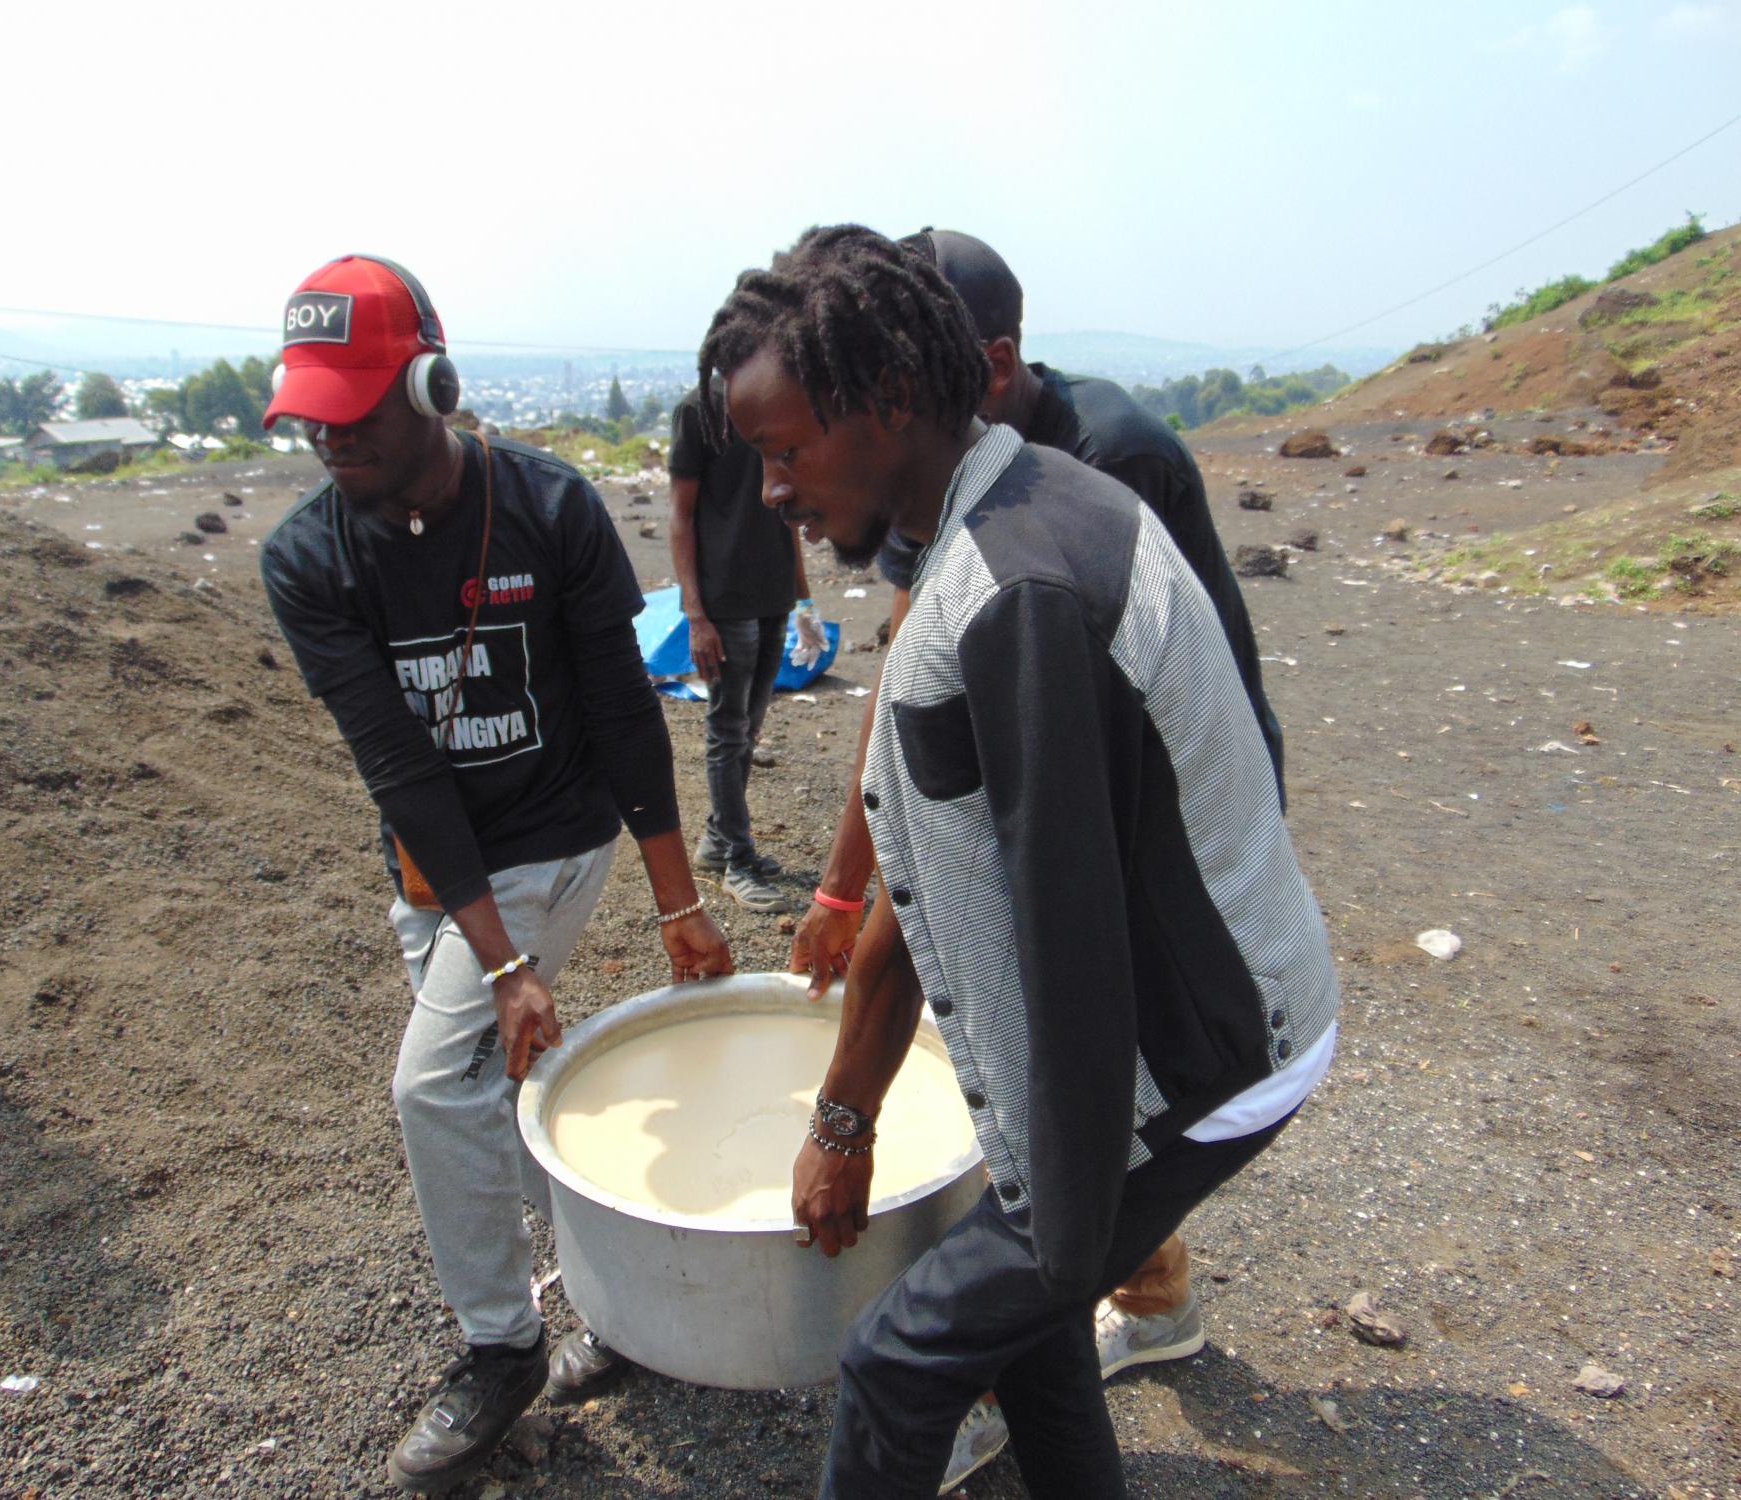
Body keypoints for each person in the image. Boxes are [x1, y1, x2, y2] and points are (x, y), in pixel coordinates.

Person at [699, 225, 1340, 1498]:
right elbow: (931, 868)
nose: (771, 490)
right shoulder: (1006, 501)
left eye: (783, 452)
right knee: (1033, 1342)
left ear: (886, 402)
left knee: (895, 1363)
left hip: (1201, 1051)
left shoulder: (1015, 592)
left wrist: (1062, 1233)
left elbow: (1074, 946)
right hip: (1180, 1024)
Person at [258, 254, 732, 1494]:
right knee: (497, 1089)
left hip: (553, 835)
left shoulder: (549, 510)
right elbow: (396, 770)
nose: (330, 440)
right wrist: (498, 961)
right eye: (311, 414)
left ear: (432, 382)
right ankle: (639, 1294)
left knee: (431, 1088)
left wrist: (673, 897)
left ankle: (498, 1350)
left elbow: (627, 715)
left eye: (355, 412)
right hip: (435, 865)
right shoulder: (308, 559)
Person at [668, 383, 822, 913]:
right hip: (724, 599)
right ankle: (736, 859)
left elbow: (789, 508)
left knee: (749, 728)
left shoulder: (780, 402)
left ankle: (717, 843)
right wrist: (695, 614)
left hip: (772, 592)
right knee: (728, 727)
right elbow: (681, 517)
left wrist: (803, 599)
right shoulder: (699, 412)